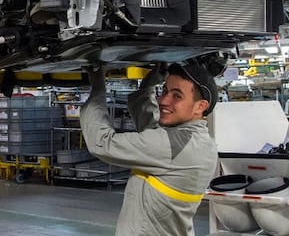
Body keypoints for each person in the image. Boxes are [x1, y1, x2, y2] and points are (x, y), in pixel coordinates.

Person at [79, 62, 219, 236]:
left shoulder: (176, 145)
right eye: (165, 91)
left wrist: (97, 86)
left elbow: (101, 143)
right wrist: (149, 84)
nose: (163, 100)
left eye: (177, 96)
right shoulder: (196, 141)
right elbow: (151, 129)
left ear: (200, 106)